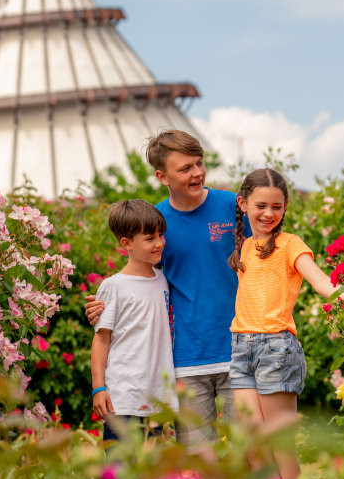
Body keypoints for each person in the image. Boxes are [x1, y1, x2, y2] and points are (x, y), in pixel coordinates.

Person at [87, 130, 239, 444]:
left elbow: (267, 256)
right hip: (186, 359)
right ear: (162, 176)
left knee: (250, 451)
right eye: (185, 168)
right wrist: (105, 304)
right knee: (196, 458)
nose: (197, 173)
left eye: (199, 163)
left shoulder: (232, 206)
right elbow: (139, 275)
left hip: (241, 350)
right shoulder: (157, 221)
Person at [228, 168, 337, 479]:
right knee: (254, 445)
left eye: (277, 206)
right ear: (243, 204)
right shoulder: (244, 247)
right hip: (240, 347)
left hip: (276, 348)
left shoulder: (290, 244)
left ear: (286, 206)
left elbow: (320, 281)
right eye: (261, 205)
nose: (269, 213)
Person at [90, 199, 178, 441]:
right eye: (150, 238)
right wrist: (99, 388)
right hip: (123, 399)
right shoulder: (113, 286)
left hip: (156, 399)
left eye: (161, 235)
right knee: (121, 473)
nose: (159, 243)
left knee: (150, 474)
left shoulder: (163, 280)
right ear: (126, 244)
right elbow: (101, 340)